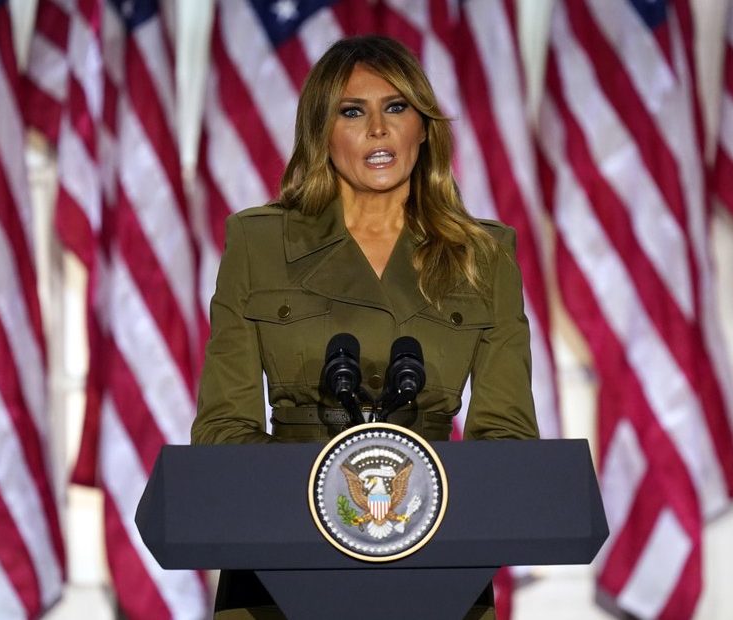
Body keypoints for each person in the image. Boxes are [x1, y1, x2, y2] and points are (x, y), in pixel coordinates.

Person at [192, 35, 538, 619]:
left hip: (436, 555)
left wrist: (414, 514)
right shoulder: (258, 243)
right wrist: (314, 502)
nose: (378, 129)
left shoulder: (486, 254)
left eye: (396, 107)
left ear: (423, 128)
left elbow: (505, 436)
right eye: (352, 112)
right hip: (281, 561)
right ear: (322, 135)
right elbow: (224, 428)